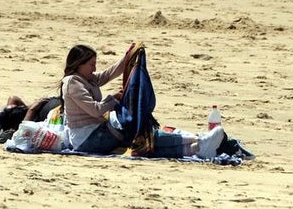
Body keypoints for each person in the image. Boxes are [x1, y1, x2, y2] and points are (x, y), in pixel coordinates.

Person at [58, 44, 218, 158]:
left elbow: (107, 74)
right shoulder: (73, 82)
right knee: (135, 130)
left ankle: (195, 147)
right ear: (79, 64)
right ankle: (198, 141)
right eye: (91, 64)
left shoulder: (86, 78)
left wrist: (128, 57)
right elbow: (96, 110)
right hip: (89, 139)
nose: (94, 68)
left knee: (138, 139)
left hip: (96, 132)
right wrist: (113, 99)